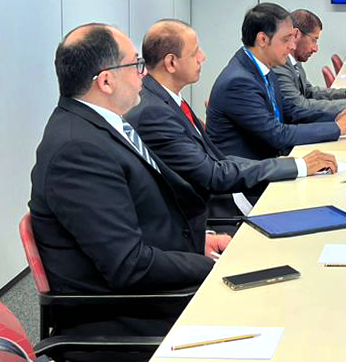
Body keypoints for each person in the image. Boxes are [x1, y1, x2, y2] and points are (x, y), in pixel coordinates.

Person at [29, 23, 228, 337]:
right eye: (136, 64)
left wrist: (198, 243)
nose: (143, 74)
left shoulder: (100, 126)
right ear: (106, 81)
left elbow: (138, 217)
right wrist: (213, 266)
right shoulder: (77, 150)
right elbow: (128, 264)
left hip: (150, 293)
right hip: (127, 316)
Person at [126, 19, 338, 218]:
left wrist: (289, 165)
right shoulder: (153, 113)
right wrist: (296, 166)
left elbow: (216, 160)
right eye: (194, 52)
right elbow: (212, 174)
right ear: (171, 63)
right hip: (210, 214)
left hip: (227, 191)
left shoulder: (167, 99)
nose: (202, 57)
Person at [206, 2, 346, 160]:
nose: (292, 46)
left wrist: (337, 116)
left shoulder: (263, 67)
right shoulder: (239, 82)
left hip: (269, 159)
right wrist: (337, 128)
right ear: (262, 39)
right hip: (249, 170)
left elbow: (292, 111)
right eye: (286, 39)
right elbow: (277, 135)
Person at [273, 9, 346, 115]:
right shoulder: (280, 65)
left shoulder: (294, 60)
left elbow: (309, 92)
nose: (315, 49)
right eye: (314, 40)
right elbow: (299, 106)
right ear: (297, 34)